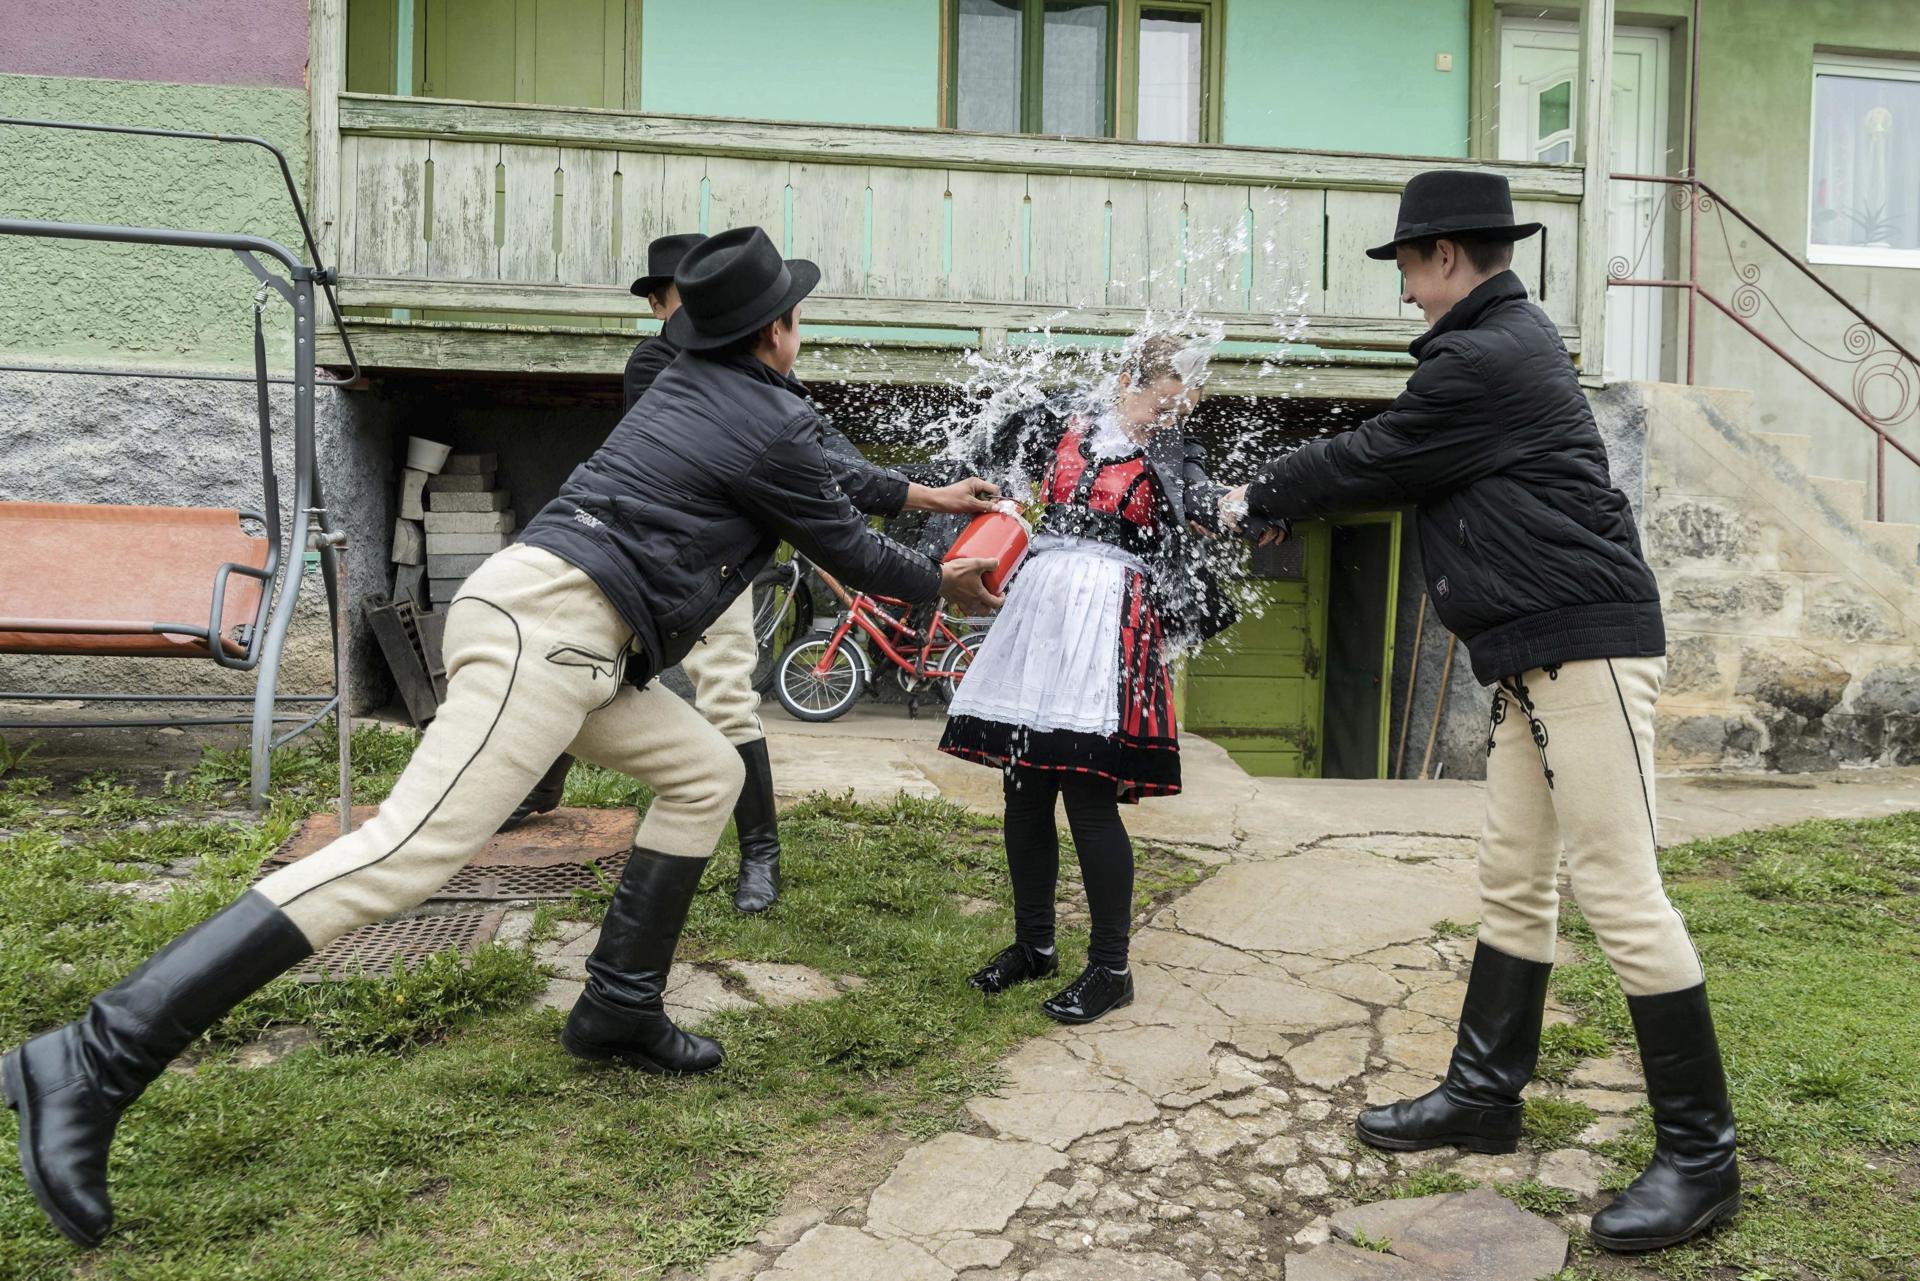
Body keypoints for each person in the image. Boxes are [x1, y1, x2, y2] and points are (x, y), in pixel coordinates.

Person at [0, 227, 1004, 1249]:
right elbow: (852, 546)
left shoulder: (696, 385)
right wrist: (946, 582)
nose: (802, 331)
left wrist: (918, 498)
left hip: (574, 632)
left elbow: (827, 475)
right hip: (552, 632)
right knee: (403, 852)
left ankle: (617, 1004)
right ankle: (92, 1057)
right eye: (796, 317)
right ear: (775, 333)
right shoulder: (757, 416)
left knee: (703, 770)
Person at [1223, 170, 1738, 1254]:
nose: (1406, 290)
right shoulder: (1496, 349)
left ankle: (1703, 1159)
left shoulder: (1484, 356)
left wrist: (1253, 495)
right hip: (1531, 654)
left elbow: (1379, 455)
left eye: (1408, 266)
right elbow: (1408, 470)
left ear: (1447, 256)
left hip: (1583, 649)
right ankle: (1484, 1093)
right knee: (1516, 876)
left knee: (1619, 889)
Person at [501, 232, 1001, 918]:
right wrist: (936, 572)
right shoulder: (660, 367)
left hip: (713, 570)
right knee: (587, 674)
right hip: (643, 563)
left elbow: (829, 467)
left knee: (725, 698)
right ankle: (539, 788)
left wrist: (929, 495)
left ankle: (758, 856)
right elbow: (807, 488)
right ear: (664, 304)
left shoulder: (768, 383)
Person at [939, 333, 1258, 1025]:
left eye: (1183, 404)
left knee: (1087, 796)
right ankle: (1034, 945)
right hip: (1041, 610)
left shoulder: (1175, 449)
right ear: (1129, 379)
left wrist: (1254, 506)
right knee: (1022, 789)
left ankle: (1111, 968)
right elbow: (997, 472)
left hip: (1109, 619)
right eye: (1164, 398)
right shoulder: (1065, 419)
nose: (1172, 414)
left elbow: (1203, 501)